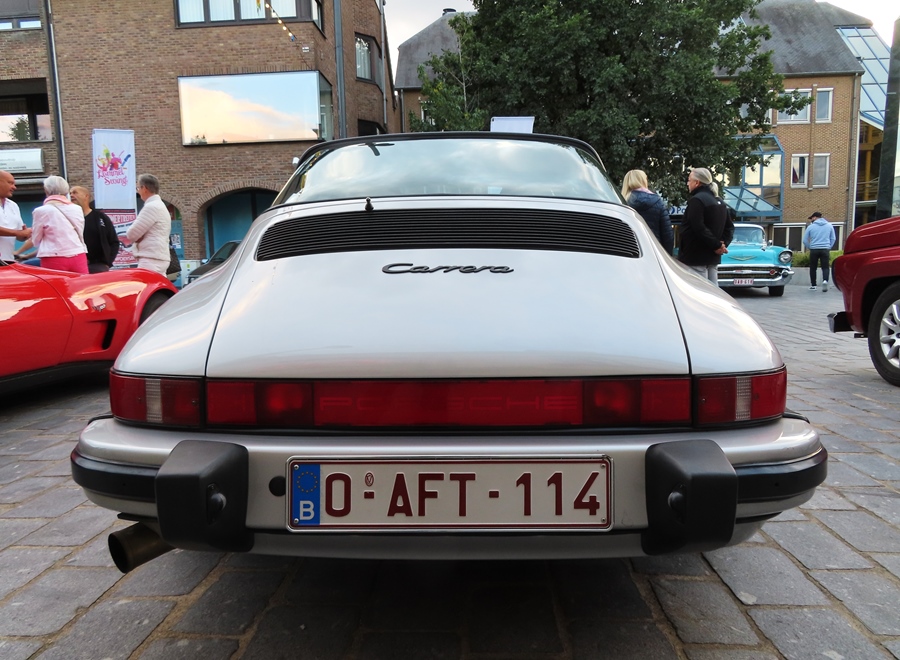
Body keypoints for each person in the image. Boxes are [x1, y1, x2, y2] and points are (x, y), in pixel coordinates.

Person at [677, 167, 734, 284]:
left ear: (697, 182)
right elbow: (729, 227)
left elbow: (698, 227)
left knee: (698, 289)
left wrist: (717, 245)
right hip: (713, 257)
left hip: (696, 256)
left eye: (689, 180)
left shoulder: (697, 201)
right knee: (713, 289)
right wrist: (721, 245)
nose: (687, 183)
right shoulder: (720, 202)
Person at [31, 175, 89, 274]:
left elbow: (36, 240)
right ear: (66, 191)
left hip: (53, 256)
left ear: (46, 190)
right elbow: (80, 231)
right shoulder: (77, 209)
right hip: (78, 253)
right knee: (82, 283)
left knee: (55, 283)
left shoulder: (40, 211)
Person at [621, 169, 674, 255]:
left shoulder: (621, 203)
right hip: (653, 253)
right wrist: (667, 256)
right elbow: (667, 235)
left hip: (628, 252)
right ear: (643, 180)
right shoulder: (657, 202)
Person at [127, 174, 171, 275]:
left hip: (150, 259)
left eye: (138, 188)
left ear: (144, 188)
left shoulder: (151, 207)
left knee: (145, 284)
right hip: (158, 257)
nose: (138, 191)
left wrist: (138, 237)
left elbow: (131, 234)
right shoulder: (160, 205)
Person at [70, 185, 120, 273]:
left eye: (75, 193)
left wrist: (107, 262)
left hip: (98, 266)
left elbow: (114, 241)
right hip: (76, 266)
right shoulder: (69, 219)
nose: (71, 195)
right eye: (70, 193)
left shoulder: (100, 218)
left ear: (86, 196)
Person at [0, 169, 32, 262]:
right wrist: (17, 233)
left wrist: (25, 235)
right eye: (10, 183)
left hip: (7, 260)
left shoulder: (13, 205)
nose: (14, 187)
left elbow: (19, 236)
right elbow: (16, 233)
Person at [803, 211, 836, 291]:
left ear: (815, 217)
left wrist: (810, 247)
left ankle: (813, 285)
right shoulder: (829, 225)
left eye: (812, 218)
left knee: (813, 267)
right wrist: (829, 247)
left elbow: (805, 240)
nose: (811, 220)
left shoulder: (810, 227)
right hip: (825, 249)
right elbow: (833, 238)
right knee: (825, 267)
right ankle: (825, 281)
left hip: (814, 249)